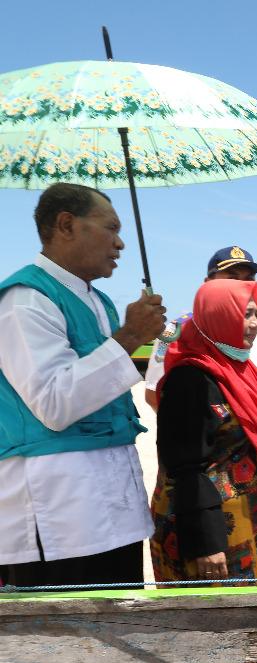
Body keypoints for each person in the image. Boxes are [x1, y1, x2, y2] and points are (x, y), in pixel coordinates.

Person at [0, 183, 167, 588]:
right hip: (60, 514)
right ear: (66, 225)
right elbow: (54, 403)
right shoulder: (26, 300)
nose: (121, 243)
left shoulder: (100, 301)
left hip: (112, 508)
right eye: (110, 227)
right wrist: (128, 337)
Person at [149, 278, 257, 585]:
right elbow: (184, 465)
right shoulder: (190, 378)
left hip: (254, 522)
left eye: (256, 314)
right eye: (244, 315)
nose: (254, 324)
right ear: (218, 316)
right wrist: (206, 543)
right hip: (213, 533)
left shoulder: (239, 368)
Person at [144, 246, 257, 408]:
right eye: (232, 279)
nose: (242, 286)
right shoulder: (176, 333)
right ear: (208, 284)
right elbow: (154, 394)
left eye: (249, 279)